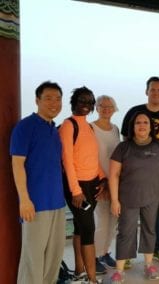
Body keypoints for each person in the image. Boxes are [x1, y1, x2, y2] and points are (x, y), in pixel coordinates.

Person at [10, 81, 65, 284]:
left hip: (58, 203)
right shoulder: (25, 127)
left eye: (58, 99)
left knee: (53, 257)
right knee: (33, 259)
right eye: (48, 98)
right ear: (37, 100)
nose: (54, 103)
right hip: (35, 204)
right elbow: (17, 164)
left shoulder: (54, 131)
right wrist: (24, 200)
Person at [121, 76, 159, 264]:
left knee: (158, 214)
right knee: (130, 217)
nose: (156, 93)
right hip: (135, 172)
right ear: (146, 91)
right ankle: (127, 254)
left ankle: (157, 249)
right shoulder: (134, 112)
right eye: (152, 89)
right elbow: (125, 140)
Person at [109, 111, 159, 283]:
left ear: (151, 127)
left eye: (145, 122)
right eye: (138, 123)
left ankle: (149, 265)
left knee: (150, 230)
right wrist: (114, 200)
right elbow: (113, 175)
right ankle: (119, 271)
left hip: (153, 197)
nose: (142, 125)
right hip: (127, 198)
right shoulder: (123, 147)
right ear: (132, 126)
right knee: (125, 232)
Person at [59, 86, 107, 284]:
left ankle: (80, 272)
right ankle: (92, 280)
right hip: (76, 187)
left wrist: (102, 178)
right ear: (73, 103)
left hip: (92, 184)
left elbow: (92, 157)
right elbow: (67, 161)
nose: (86, 105)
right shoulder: (68, 126)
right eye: (82, 101)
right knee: (89, 230)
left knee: (80, 228)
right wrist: (75, 192)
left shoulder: (87, 126)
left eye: (89, 102)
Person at [91, 95, 121, 274]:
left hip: (116, 182)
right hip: (99, 182)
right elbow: (89, 156)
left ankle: (104, 252)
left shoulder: (115, 129)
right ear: (96, 107)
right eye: (102, 105)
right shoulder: (91, 128)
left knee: (113, 220)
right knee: (101, 220)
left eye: (110, 106)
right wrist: (102, 181)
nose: (106, 109)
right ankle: (93, 256)